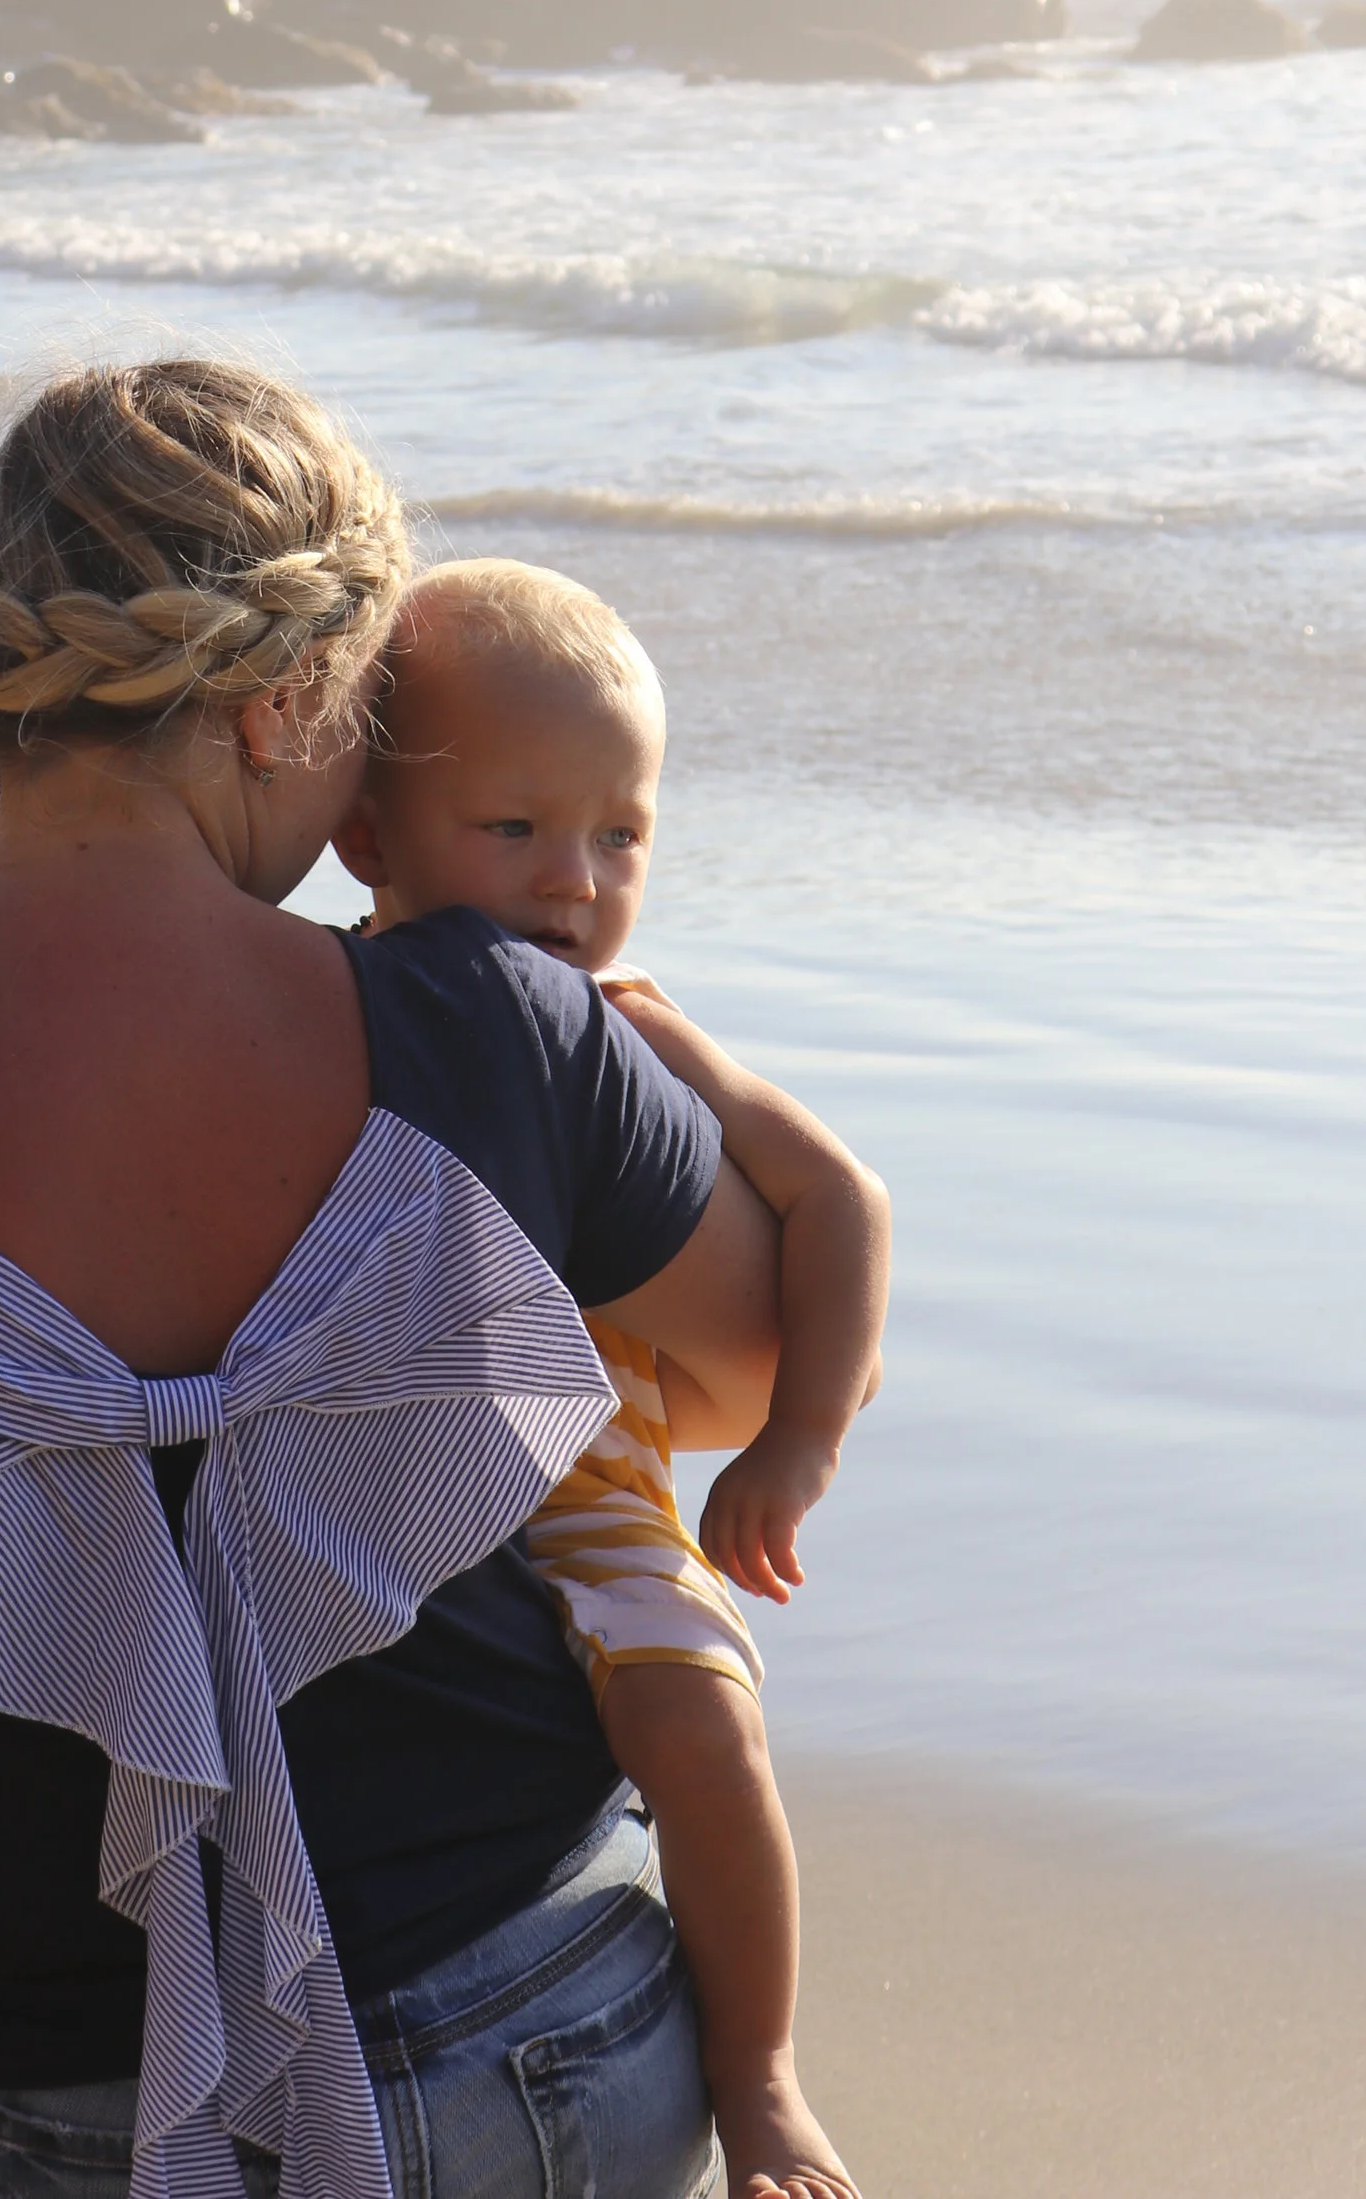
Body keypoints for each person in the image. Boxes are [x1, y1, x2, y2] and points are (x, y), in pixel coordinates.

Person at [0, 360, 784, 2199]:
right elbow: (744, 1376)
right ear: (288, 695)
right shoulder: (495, 1033)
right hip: (547, 2052)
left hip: (20, 2113)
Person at [332, 560, 889, 2199]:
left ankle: (763, 2078)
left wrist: (795, 1446)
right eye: (513, 830)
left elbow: (837, 1196)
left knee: (705, 1731)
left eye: (621, 835)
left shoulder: (631, 1027)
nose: (574, 881)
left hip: (597, 1484)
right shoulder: (308, 1001)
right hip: (386, 1512)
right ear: (366, 832)